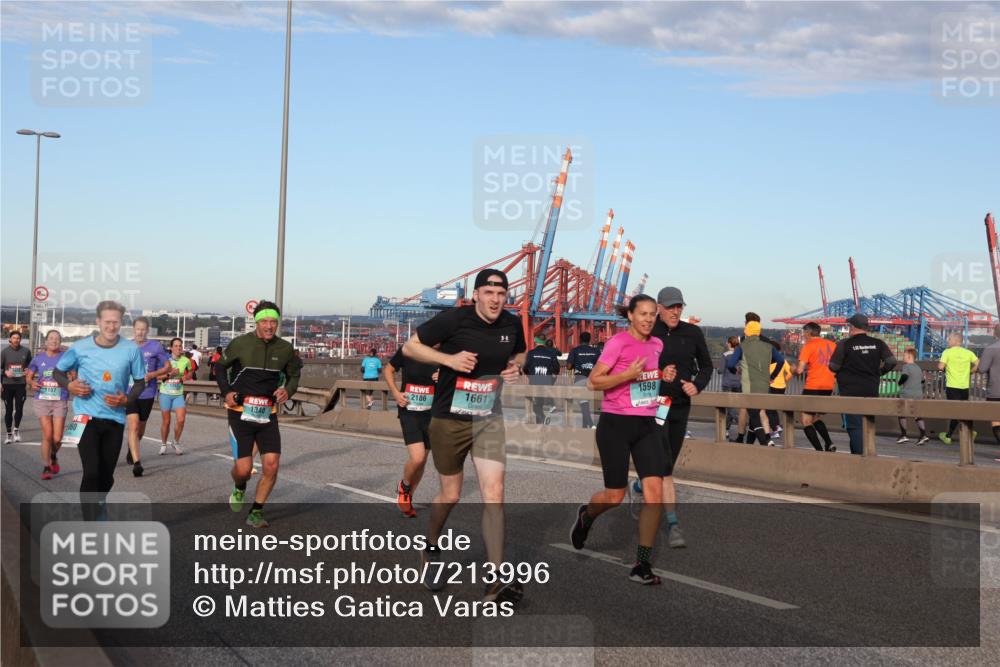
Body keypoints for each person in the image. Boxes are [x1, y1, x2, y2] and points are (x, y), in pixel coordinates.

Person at [402, 269, 526, 603]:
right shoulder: (454, 319)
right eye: (489, 293)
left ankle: (495, 580)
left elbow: (520, 352)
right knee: (451, 494)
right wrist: (448, 359)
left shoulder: (512, 324)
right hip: (448, 420)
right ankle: (430, 547)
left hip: (488, 418)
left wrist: (516, 366)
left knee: (494, 493)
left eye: (501, 294)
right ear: (476, 295)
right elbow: (411, 347)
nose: (496, 299)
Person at [570, 294, 668, 584]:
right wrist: (627, 374)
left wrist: (663, 374)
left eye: (653, 314)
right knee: (615, 496)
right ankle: (587, 515)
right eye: (644, 314)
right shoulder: (618, 343)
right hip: (616, 425)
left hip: (647, 424)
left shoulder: (657, 344)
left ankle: (642, 564)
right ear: (631, 316)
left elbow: (648, 377)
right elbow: (593, 382)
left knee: (655, 495)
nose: (649, 319)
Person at [52, 301, 146, 518]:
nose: (111, 327)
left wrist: (126, 399)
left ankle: (100, 501)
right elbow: (58, 372)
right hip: (85, 417)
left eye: (116, 322)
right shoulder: (80, 347)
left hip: (115, 420)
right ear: (98, 322)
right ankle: (91, 523)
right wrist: (70, 385)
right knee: (92, 471)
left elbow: (140, 382)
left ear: (121, 323)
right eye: (107, 322)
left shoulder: (131, 349)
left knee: (106, 476)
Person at [215, 300, 299, 529]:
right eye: (265, 321)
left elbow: (294, 375)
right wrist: (227, 391)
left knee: (271, 465)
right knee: (243, 470)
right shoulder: (241, 344)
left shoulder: (285, 349)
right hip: (240, 413)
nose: (270, 326)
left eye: (274, 321)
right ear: (256, 322)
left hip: (267, 414)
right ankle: (239, 486)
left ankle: (256, 512)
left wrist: (288, 390)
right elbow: (219, 367)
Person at [648, 286, 713, 548]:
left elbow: (707, 365)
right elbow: (635, 369)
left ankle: (641, 488)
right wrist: (659, 374)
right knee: (664, 466)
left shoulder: (692, 332)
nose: (676, 311)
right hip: (655, 404)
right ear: (659, 307)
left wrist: (697, 385)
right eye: (671, 307)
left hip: (681, 405)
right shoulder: (648, 333)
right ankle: (673, 524)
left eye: (679, 306)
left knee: (668, 464)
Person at [828, 313, 896, 455]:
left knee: (854, 427)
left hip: (850, 393)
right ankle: (865, 455)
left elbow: (833, 367)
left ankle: (861, 461)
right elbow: (891, 362)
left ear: (852, 327)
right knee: (868, 426)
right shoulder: (878, 343)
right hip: (871, 390)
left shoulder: (844, 344)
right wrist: (879, 372)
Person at [384, 346, 438, 517]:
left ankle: (408, 497)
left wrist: (445, 377)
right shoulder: (409, 350)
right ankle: (404, 485)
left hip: (431, 412)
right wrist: (395, 393)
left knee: (422, 461)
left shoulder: (447, 354)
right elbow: (389, 369)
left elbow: (460, 376)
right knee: (418, 457)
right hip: (409, 410)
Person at [126, 317, 171, 476]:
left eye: (143, 329)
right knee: (133, 425)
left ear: (147, 331)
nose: (140, 332)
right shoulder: (125, 346)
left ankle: (132, 447)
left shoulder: (155, 346)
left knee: (140, 429)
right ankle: (137, 463)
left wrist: (153, 374)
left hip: (148, 393)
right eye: (138, 329)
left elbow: (168, 366)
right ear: (133, 330)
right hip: (130, 393)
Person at [727, 321, 785, 446]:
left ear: (746, 332)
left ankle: (766, 441)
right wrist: (772, 375)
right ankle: (756, 441)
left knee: (754, 414)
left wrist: (735, 370)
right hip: (765, 384)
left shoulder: (742, 346)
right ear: (759, 332)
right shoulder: (768, 346)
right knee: (761, 411)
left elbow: (730, 364)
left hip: (749, 385)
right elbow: (780, 360)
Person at [25, 330, 69, 479]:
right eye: (51, 338)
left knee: (57, 438)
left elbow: (74, 374)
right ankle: (46, 467)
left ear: (60, 341)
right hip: (42, 399)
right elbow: (29, 377)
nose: (54, 341)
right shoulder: (38, 358)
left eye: (57, 339)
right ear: (46, 341)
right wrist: (31, 382)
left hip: (60, 398)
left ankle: (53, 454)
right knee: (47, 434)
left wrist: (72, 380)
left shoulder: (65, 357)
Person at [794, 322, 838, 452]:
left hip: (812, 386)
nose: (803, 335)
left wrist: (793, 369)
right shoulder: (832, 345)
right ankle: (829, 443)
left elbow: (800, 371)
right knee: (816, 417)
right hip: (828, 386)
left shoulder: (808, 346)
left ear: (808, 332)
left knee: (806, 421)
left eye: (803, 333)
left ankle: (819, 451)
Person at [937, 333, 979, 445]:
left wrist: (945, 368)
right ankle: (969, 431)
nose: (948, 341)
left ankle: (948, 436)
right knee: (963, 410)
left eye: (949, 339)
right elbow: (978, 363)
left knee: (955, 411)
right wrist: (971, 371)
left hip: (952, 386)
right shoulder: (968, 353)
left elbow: (940, 367)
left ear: (956, 341)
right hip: (964, 387)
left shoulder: (947, 352)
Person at [159, 338, 192, 456]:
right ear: (171, 348)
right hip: (165, 394)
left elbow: (190, 371)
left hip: (178, 394)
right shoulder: (165, 360)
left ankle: (175, 442)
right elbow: (158, 377)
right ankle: (163, 444)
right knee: (166, 422)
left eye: (180, 346)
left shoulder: (186, 360)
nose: (178, 348)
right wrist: (170, 374)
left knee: (181, 419)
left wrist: (186, 377)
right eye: (176, 346)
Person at [566, 331, 601, 429]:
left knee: (583, 402)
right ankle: (585, 426)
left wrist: (575, 363)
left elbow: (568, 367)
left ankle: (590, 424)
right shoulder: (596, 351)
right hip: (592, 379)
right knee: (585, 402)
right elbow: (600, 365)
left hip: (580, 378)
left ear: (580, 339)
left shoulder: (575, 350)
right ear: (589, 340)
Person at [2, 330, 32, 444]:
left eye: (18, 338)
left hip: (21, 384)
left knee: (19, 409)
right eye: (14, 338)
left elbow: (31, 366)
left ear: (20, 339)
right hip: (7, 385)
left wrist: (28, 370)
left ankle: (16, 431)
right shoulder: (4, 352)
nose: (16, 340)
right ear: (10, 339)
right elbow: (0, 368)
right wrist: (5, 373)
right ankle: (9, 434)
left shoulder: (26, 351)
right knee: (9, 410)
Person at [897, 347, 929, 445]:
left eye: (904, 355)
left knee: (901, 413)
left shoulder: (906, 366)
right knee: (917, 414)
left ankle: (903, 435)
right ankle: (923, 435)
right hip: (918, 394)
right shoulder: (918, 368)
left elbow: (905, 376)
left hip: (907, 393)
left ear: (909, 356)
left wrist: (899, 382)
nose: (903, 357)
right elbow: (923, 381)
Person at [524, 338, 561, 424]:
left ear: (536, 342)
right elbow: (557, 368)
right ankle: (541, 423)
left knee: (536, 405)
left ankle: (541, 420)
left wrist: (529, 375)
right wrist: (552, 377)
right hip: (546, 381)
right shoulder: (550, 353)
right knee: (539, 402)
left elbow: (525, 367)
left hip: (534, 380)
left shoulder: (531, 353)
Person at [976, 324, 1000, 445]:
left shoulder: (990, 349)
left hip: (996, 390)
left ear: (994, 334)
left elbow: (981, 369)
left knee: (996, 420)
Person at [717, 336, 742, 439]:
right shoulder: (741, 355)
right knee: (733, 406)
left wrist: (719, 370)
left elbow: (721, 370)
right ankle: (727, 428)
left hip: (727, 384)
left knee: (729, 408)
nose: (726, 344)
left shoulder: (725, 355)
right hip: (738, 384)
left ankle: (736, 422)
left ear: (730, 343)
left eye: (727, 342)